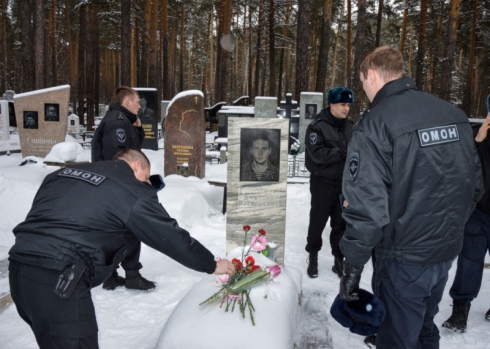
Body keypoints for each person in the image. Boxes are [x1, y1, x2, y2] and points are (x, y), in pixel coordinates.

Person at [8, 148, 236, 349]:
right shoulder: (132, 188)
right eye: (147, 178)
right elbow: (169, 235)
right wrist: (212, 264)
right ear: (137, 166)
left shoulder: (60, 175)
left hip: (19, 271)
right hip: (60, 280)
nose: (147, 184)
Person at [338, 46, 483, 349]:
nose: (364, 90)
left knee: (397, 336)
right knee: (423, 326)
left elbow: (367, 208)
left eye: (363, 82)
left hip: (403, 257)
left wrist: (352, 266)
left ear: (372, 74)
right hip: (443, 253)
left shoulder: (377, 123)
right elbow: (474, 186)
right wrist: (447, 230)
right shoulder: (453, 115)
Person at [91, 86, 150, 290]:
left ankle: (112, 275)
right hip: (117, 187)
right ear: (126, 102)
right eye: (136, 102)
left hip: (114, 186)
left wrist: (138, 127)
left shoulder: (123, 120)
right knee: (131, 228)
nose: (139, 105)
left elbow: (133, 150)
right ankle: (130, 275)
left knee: (118, 231)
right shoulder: (117, 122)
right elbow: (118, 158)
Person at [442, 106, 490, 333]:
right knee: (469, 262)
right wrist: (478, 142)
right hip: (478, 213)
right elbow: (461, 167)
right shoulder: (474, 135)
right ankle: (460, 311)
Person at [304, 87, 354, 279]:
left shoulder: (350, 126)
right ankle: (313, 256)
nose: (346, 108)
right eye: (342, 104)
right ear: (331, 104)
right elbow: (316, 155)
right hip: (322, 182)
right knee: (318, 220)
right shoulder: (317, 126)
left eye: (348, 105)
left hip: (343, 183)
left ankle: (338, 260)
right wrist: (340, 153)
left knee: (340, 223)